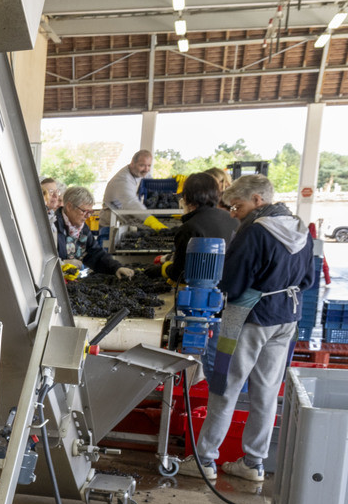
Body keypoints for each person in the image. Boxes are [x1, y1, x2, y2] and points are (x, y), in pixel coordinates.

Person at [190, 173, 318, 485]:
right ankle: (253, 463)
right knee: (266, 392)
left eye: (238, 206)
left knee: (224, 385)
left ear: (258, 200)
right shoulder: (302, 229)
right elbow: (308, 281)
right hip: (286, 319)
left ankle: (204, 460)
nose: (234, 213)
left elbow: (232, 282)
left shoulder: (254, 232)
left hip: (248, 319)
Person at [157, 172, 237, 283]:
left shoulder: (189, 228)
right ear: (217, 195)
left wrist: (164, 268)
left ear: (185, 197)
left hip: (201, 293)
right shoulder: (233, 220)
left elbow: (180, 274)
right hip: (229, 287)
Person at [55, 186, 135, 279]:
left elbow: (95, 253)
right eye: (84, 211)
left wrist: (116, 268)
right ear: (69, 207)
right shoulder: (52, 227)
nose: (87, 216)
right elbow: (41, 260)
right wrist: (62, 264)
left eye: (90, 212)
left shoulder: (83, 228)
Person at [102, 150, 168, 230]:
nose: (146, 169)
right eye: (142, 165)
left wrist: (173, 184)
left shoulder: (141, 173)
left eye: (149, 165)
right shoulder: (123, 180)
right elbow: (131, 203)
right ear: (132, 163)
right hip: (111, 219)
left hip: (125, 215)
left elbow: (152, 184)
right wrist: (151, 221)